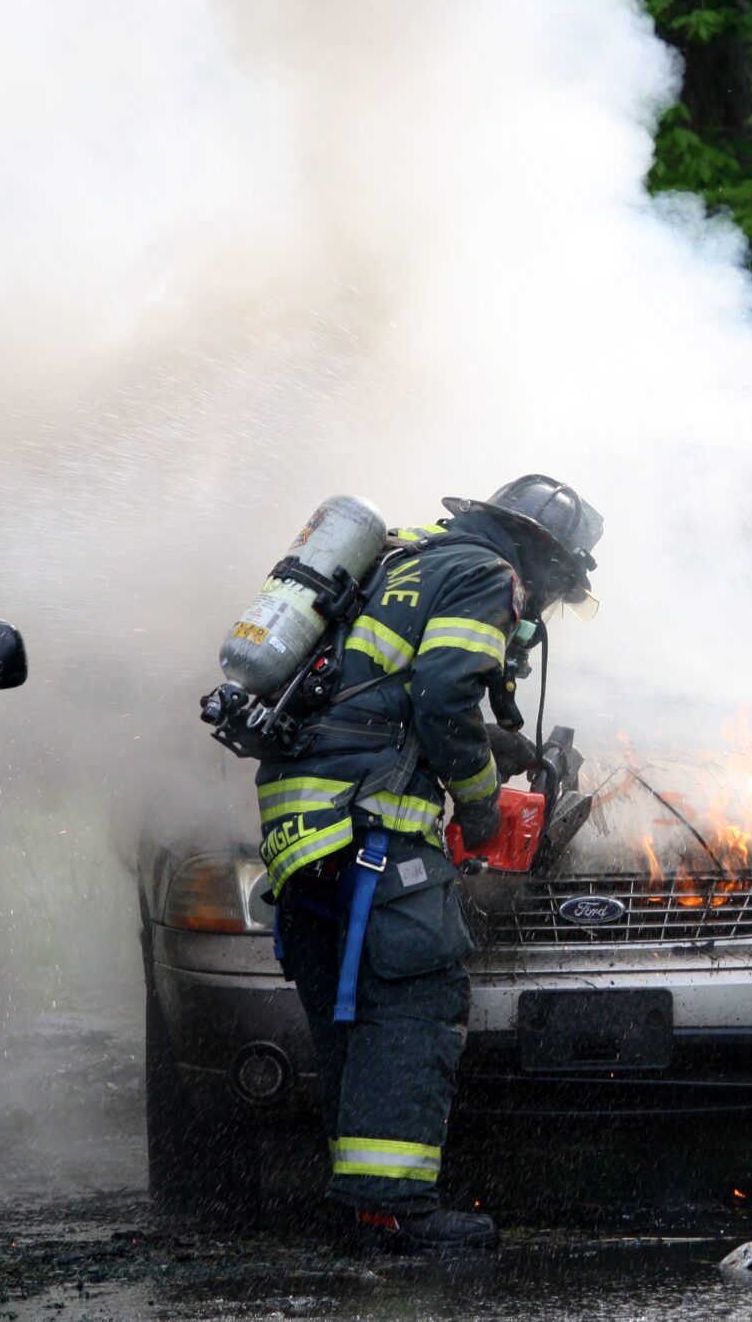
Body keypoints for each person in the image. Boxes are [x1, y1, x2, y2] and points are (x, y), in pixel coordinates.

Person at [254, 474, 602, 1250]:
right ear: (544, 560)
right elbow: (444, 694)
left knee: (353, 1014)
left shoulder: (402, 556)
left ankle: (362, 1207)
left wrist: (493, 744)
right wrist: (480, 805)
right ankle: (400, 1216)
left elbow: (382, 689)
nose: (544, 604)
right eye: (557, 587)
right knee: (416, 999)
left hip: (302, 825)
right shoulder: (486, 574)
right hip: (368, 826)